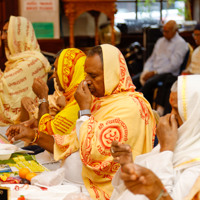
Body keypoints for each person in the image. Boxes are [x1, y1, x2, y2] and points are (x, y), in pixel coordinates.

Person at [73, 44, 156, 199]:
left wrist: (84, 110)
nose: (86, 82)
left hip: (114, 191)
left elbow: (93, 154)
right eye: (86, 75)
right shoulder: (103, 101)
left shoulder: (130, 107)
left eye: (94, 76)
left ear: (112, 74)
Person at [110, 75, 200, 200]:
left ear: (195, 116)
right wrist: (128, 166)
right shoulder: (179, 142)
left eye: (177, 110)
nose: (170, 116)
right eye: (170, 108)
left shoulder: (196, 167)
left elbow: (163, 195)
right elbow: (130, 192)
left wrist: (166, 150)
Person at [6, 48, 86, 158]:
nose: (54, 75)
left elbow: (48, 134)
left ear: (68, 72)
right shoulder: (71, 96)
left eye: (57, 69)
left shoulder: (80, 99)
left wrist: (42, 97)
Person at [0, 16, 51, 126]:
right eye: (2, 33)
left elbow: (4, 84)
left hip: (29, 125)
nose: (3, 37)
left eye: (6, 32)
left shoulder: (35, 61)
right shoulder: (13, 61)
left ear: (19, 34)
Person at [132, 20, 188, 104]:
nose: (164, 33)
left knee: (149, 83)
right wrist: (146, 70)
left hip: (167, 73)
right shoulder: (160, 41)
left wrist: (155, 72)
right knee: (133, 80)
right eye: (163, 31)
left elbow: (174, 66)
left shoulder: (181, 44)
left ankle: (135, 102)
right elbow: (151, 59)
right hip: (153, 71)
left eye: (167, 31)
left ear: (175, 31)